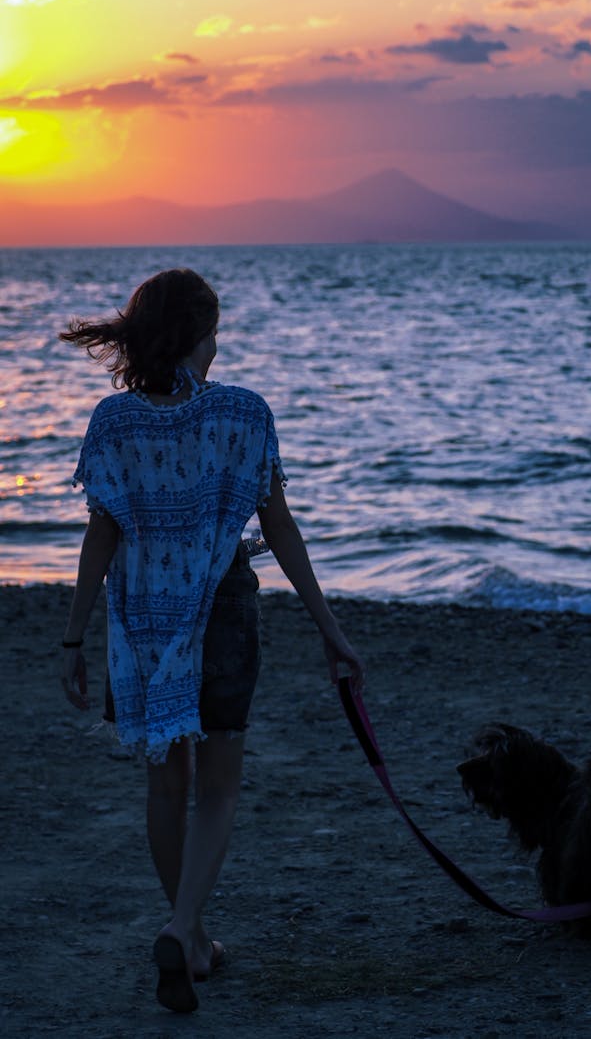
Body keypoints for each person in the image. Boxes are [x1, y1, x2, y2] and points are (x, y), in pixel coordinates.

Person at [60, 268, 364, 1013]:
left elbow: (101, 536)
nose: (219, 345)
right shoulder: (243, 415)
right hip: (222, 606)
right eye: (215, 331)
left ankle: (188, 939)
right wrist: (331, 630)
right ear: (198, 336)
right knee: (220, 787)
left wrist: (72, 641)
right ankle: (184, 929)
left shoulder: (113, 422)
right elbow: (280, 528)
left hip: (141, 619)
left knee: (167, 784)